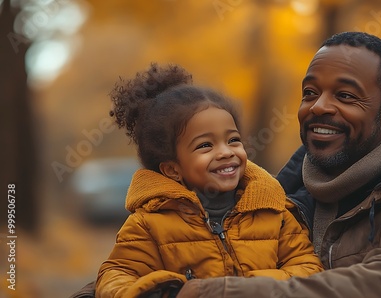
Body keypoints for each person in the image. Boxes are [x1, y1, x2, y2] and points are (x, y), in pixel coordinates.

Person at [175, 31, 381, 297]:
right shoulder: (270, 195)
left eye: (346, 95)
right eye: (310, 92)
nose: (319, 106)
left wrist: (222, 292)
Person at [94, 63, 324, 297]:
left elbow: (309, 268)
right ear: (173, 169)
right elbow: (115, 276)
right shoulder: (149, 223)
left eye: (233, 140)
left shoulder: (273, 212)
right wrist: (170, 290)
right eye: (205, 145)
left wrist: (246, 288)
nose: (226, 152)